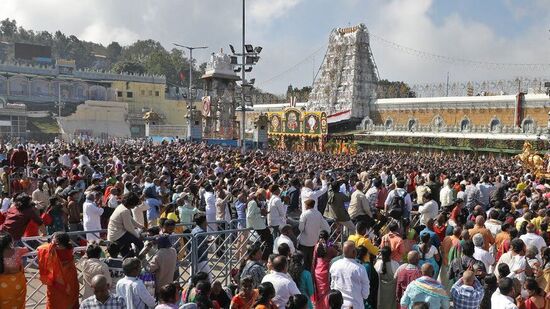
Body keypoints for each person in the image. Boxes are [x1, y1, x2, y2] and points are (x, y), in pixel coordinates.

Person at [37, 232, 79, 309]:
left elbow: (40, 248)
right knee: (70, 300)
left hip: (56, 284)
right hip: (71, 281)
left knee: (56, 303)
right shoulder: (69, 250)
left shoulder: (51, 251)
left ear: (57, 242)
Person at [329, 241, 370, 309]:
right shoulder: (360, 268)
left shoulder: (335, 265)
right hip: (356, 305)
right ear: (354, 252)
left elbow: (332, 286)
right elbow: (365, 294)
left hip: (339, 306)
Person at [107, 192, 145, 258]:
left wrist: (141, 226)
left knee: (126, 251)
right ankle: (139, 259)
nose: (135, 206)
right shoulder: (125, 211)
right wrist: (137, 236)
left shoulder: (121, 207)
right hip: (118, 235)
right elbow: (128, 227)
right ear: (132, 203)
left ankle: (129, 261)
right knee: (140, 244)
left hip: (115, 234)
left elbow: (131, 220)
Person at [298, 199, 330, 271]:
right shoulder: (318, 213)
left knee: (303, 262)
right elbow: (326, 227)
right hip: (314, 242)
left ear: (307, 206)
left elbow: (301, 228)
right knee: (312, 263)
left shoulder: (304, 214)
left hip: (304, 243)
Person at [0, 232, 28, 308]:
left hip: (2, 285)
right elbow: (26, 249)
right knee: (17, 303)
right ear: (10, 242)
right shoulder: (17, 250)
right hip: (17, 283)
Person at [312, 230, 339, 309]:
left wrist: (312, 272)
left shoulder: (316, 246)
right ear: (328, 238)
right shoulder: (330, 248)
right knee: (326, 291)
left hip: (317, 271)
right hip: (326, 271)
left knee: (319, 291)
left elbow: (314, 260)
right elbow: (338, 255)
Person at [247, 189, 273, 261]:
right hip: (258, 226)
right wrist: (260, 213)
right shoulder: (253, 203)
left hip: (260, 225)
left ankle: (263, 258)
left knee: (265, 243)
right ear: (259, 195)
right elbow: (249, 216)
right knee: (269, 242)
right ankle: (264, 259)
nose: (263, 199)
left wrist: (262, 213)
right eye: (262, 197)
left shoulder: (256, 202)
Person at [192, 214, 212, 279]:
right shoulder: (201, 232)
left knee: (193, 278)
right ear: (204, 221)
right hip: (201, 259)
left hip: (193, 258)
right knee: (208, 278)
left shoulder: (194, 229)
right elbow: (201, 245)